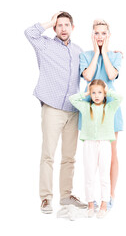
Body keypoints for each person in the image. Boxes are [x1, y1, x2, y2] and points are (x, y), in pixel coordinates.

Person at [24, 11, 87, 214]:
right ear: (55, 27)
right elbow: (29, 32)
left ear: (72, 27)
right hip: (52, 107)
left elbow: (89, 72)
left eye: (66, 25)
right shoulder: (44, 45)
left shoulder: (79, 51)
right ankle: (46, 198)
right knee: (48, 155)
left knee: (69, 157)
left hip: (73, 109)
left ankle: (66, 196)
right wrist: (50, 21)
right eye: (59, 25)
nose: (63, 28)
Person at [79, 19, 123, 209]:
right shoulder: (85, 55)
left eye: (103, 33)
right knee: (91, 155)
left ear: (108, 35)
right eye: (96, 33)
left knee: (111, 152)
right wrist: (96, 53)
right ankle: (91, 198)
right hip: (90, 108)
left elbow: (111, 75)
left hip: (110, 109)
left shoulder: (115, 56)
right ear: (92, 35)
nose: (100, 36)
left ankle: (110, 195)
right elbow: (88, 76)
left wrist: (104, 53)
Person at [69, 79, 123, 218]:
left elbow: (120, 98)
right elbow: (72, 99)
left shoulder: (109, 108)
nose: (97, 95)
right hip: (89, 144)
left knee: (104, 175)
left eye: (99, 92)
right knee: (89, 175)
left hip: (105, 143)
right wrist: (86, 92)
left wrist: (107, 90)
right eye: (94, 93)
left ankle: (104, 205)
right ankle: (91, 205)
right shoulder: (86, 107)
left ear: (103, 94)